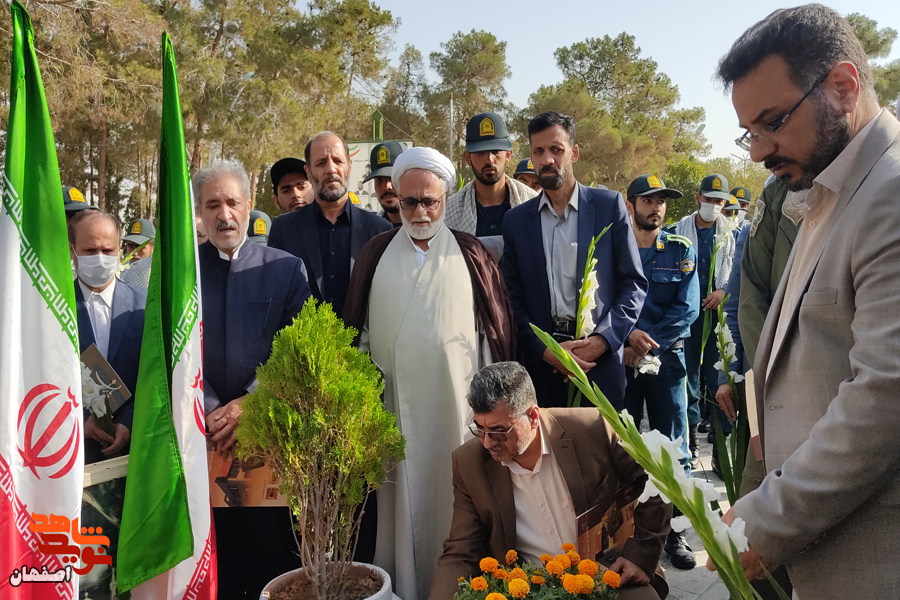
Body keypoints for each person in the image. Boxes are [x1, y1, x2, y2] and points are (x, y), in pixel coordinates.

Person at [713, 6, 900, 597]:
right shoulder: (827, 190)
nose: (757, 152)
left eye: (772, 123)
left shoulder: (890, 195)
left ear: (842, 86)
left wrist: (763, 524)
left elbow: (885, 397)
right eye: (750, 132)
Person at [343, 147, 516, 600]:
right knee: (400, 512)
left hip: (457, 412)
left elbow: (492, 337)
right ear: (396, 199)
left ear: (445, 198)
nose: (420, 212)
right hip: (393, 414)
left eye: (430, 202)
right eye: (410, 202)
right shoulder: (375, 254)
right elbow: (358, 336)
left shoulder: (472, 253)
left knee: (459, 504)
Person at [429, 362, 670, 600]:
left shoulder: (592, 428)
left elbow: (660, 476)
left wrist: (640, 555)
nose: (487, 442)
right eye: (479, 429)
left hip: (607, 572)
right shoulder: (469, 463)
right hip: (534, 588)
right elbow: (461, 551)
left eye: (499, 431)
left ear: (533, 416)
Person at [194, 159, 312, 598]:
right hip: (203, 435)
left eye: (232, 203)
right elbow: (171, 348)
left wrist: (250, 404)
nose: (224, 215)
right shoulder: (183, 273)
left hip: (268, 437)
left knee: (269, 560)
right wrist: (211, 409)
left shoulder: (286, 269)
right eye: (212, 205)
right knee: (216, 562)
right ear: (200, 213)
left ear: (248, 204)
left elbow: (297, 350)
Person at [502, 111, 647, 410]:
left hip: (599, 367)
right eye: (538, 151)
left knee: (600, 442)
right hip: (543, 372)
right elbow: (512, 299)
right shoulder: (516, 221)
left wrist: (603, 340)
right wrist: (545, 350)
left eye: (556, 149)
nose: (547, 160)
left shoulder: (608, 207)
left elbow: (633, 284)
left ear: (574, 152)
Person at [621, 175, 699, 571]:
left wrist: (646, 343)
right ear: (630, 204)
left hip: (666, 359)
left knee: (674, 447)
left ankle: (675, 532)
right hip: (622, 358)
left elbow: (688, 308)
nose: (656, 208)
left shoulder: (680, 249)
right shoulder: (614, 246)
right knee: (623, 442)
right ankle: (625, 529)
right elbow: (603, 299)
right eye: (648, 200)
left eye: (662, 201)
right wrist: (626, 338)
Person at [268, 131, 392, 318]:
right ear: (308, 173)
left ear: (349, 167)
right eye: (321, 163)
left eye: (338, 161)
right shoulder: (283, 230)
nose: (331, 169)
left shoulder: (380, 230)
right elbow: (275, 297)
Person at [69, 209, 145, 464]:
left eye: (107, 250)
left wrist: (129, 421)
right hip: (73, 452)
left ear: (120, 248)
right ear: (72, 250)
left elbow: (156, 374)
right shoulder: (55, 308)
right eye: (90, 251)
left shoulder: (144, 306)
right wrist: (81, 419)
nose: (100, 259)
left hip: (135, 453)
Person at [673, 174, 736, 466]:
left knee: (718, 379)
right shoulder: (676, 233)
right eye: (708, 199)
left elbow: (740, 274)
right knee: (687, 380)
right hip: (687, 320)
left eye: (719, 201)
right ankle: (691, 443)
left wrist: (724, 291)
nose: (713, 205)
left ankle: (721, 451)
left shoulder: (734, 235)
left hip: (718, 321)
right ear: (698, 197)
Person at [445, 112, 538, 239]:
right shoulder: (450, 211)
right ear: (467, 158)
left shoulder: (532, 203)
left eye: (495, 151)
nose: (489, 159)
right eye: (480, 152)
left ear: (508, 155)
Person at [362, 140, 405, 227]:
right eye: (379, 180)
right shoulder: (369, 230)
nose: (387, 186)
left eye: (393, 178)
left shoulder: (429, 228)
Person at [119, 218, 156, 289]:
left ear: (153, 248)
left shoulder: (157, 276)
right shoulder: (120, 272)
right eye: (130, 246)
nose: (134, 253)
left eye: (140, 247)